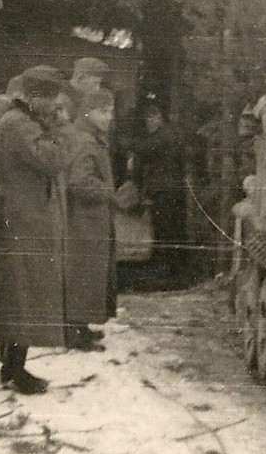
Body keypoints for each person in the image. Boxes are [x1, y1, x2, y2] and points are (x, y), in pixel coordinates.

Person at [0, 66, 70, 394]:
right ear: (35, 97)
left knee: (18, 294)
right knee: (22, 294)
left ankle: (11, 367)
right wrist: (64, 127)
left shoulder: (18, 121)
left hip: (18, 219)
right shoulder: (19, 125)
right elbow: (55, 159)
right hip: (20, 222)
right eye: (51, 99)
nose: (56, 106)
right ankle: (15, 370)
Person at [63, 87, 118, 351]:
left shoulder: (89, 136)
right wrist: (109, 192)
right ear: (88, 112)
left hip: (89, 219)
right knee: (83, 275)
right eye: (102, 111)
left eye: (110, 111)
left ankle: (80, 326)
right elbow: (79, 182)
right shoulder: (85, 140)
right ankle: (75, 332)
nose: (108, 117)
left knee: (86, 274)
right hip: (83, 221)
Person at [130, 102, 188, 276]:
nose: (148, 124)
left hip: (166, 189)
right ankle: (170, 265)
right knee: (169, 227)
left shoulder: (163, 136)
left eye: (150, 119)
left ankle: (166, 266)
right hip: (169, 188)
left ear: (158, 117)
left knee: (165, 227)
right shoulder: (169, 133)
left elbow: (144, 148)